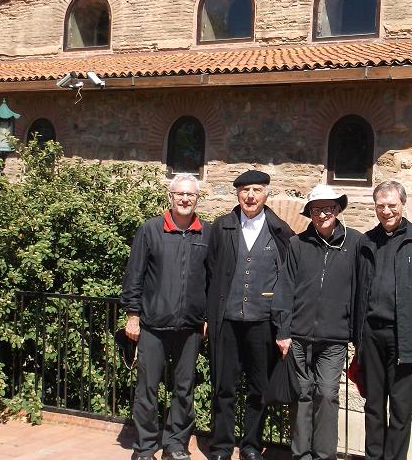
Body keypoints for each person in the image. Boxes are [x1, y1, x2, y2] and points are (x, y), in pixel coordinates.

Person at [121, 174, 210, 460]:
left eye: (190, 195)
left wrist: (206, 317)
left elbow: (212, 280)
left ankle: (175, 445)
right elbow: (134, 275)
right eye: (179, 194)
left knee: (184, 389)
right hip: (153, 326)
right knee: (147, 389)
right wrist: (132, 316)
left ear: (197, 199)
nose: (185, 199)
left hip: (190, 327)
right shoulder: (149, 230)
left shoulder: (207, 234)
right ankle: (145, 446)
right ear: (170, 197)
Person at [206, 170, 294, 460]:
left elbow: (287, 281)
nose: (250, 196)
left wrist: (283, 326)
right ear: (237, 194)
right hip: (227, 321)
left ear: (267, 193)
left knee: (259, 389)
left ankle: (251, 446)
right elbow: (209, 273)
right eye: (244, 190)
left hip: (263, 323)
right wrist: (208, 316)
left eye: (256, 190)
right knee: (224, 387)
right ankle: (220, 446)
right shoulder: (222, 227)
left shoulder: (281, 232)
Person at [273, 184, 362, 460]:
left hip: (334, 337)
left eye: (328, 208)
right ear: (309, 213)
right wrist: (283, 330)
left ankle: (324, 454)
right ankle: (301, 454)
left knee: (326, 393)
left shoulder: (356, 243)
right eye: (316, 209)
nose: (322, 214)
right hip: (298, 334)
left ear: (337, 210)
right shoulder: (297, 244)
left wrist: (356, 335)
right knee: (301, 394)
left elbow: (361, 290)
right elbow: (285, 287)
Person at [354, 180, 412, 460]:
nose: (387, 211)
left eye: (392, 205)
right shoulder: (366, 241)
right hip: (372, 335)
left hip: (405, 337)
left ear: (403, 204)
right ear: (375, 207)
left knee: (401, 410)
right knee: (373, 406)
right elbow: (358, 289)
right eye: (381, 206)